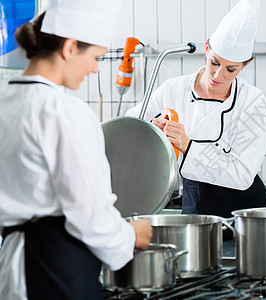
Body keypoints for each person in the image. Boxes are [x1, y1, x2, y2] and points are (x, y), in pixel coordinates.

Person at [0, 1, 152, 299]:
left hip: (13, 267)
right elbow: (90, 215)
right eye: (95, 57)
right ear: (69, 48)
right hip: (55, 271)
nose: (95, 68)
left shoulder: (4, 100)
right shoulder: (64, 112)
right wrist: (131, 235)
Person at [127, 0, 266, 221]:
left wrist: (187, 145)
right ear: (206, 49)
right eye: (214, 62)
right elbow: (131, 124)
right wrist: (151, 130)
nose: (217, 75)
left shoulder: (254, 102)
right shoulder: (174, 89)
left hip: (247, 212)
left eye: (231, 69)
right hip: (197, 206)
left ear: (245, 65)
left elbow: (242, 175)